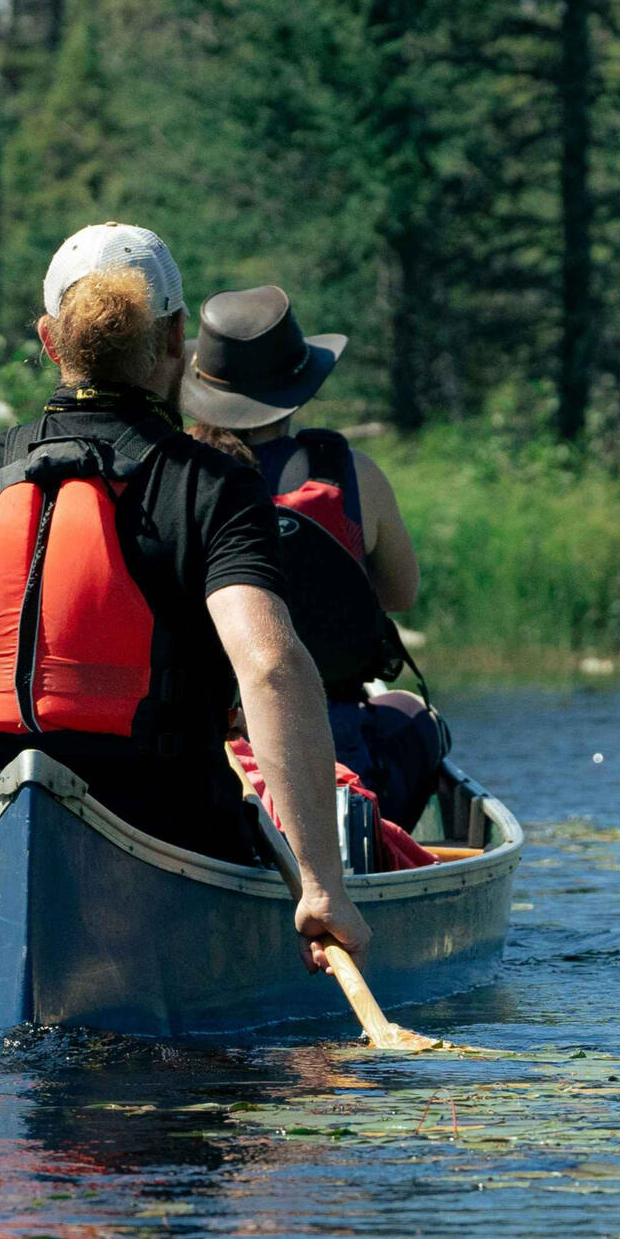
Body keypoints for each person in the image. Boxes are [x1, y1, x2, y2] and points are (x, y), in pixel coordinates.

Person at [0, 222, 368, 968]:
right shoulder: (211, 484)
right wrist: (321, 886)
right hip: (163, 827)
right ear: (176, 340)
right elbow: (272, 668)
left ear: (51, 340)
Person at [178, 286, 445, 831]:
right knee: (416, 719)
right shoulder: (352, 473)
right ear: (299, 389)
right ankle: (379, 849)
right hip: (331, 736)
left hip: (198, 738)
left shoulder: (174, 476)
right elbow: (399, 593)